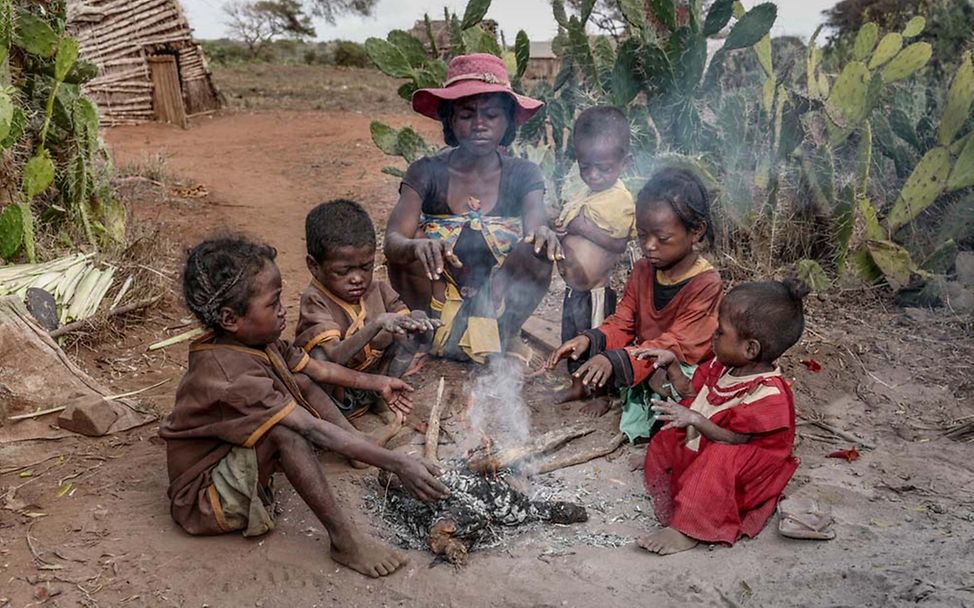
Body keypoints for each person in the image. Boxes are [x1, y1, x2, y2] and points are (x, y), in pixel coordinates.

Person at [159, 236, 449, 578]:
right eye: (273, 303)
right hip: (205, 499)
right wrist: (398, 463)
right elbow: (310, 428)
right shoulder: (231, 375)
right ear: (229, 318)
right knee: (288, 433)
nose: (283, 309)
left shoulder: (258, 342)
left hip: (230, 462)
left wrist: (379, 383)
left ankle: (357, 446)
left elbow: (319, 369)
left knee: (301, 382)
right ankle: (345, 541)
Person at [384, 53, 562, 364]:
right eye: (466, 115)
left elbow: (535, 231)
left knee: (538, 252)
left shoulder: (523, 173)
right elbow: (392, 241)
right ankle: (429, 333)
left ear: (507, 121)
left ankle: (504, 334)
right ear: (450, 120)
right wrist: (415, 246)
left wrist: (544, 234)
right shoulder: (425, 171)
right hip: (437, 292)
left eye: (491, 115)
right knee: (404, 255)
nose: (479, 125)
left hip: (498, 294)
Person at [634, 278, 808, 555]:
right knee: (669, 433)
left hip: (745, 463)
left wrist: (695, 419)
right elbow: (695, 394)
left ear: (750, 349)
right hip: (714, 435)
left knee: (717, 457)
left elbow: (736, 439)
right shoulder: (724, 365)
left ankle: (688, 528)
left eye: (720, 333)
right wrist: (673, 365)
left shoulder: (768, 392)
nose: (713, 337)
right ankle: (674, 478)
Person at [546, 167, 722, 442]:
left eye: (662, 239)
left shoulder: (705, 283)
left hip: (680, 368)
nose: (649, 246)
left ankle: (670, 426)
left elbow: (677, 343)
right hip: (646, 358)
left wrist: (618, 359)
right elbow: (623, 322)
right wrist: (589, 339)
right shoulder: (642, 270)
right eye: (642, 236)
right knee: (605, 351)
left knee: (646, 374)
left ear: (696, 231)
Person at [295, 200, 439, 421]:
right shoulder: (315, 300)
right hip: (336, 392)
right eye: (343, 271)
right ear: (314, 266)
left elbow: (406, 331)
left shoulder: (377, 289)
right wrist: (377, 323)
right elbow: (334, 356)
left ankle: (380, 397)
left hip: (374, 379)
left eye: (366, 267)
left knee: (403, 329)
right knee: (319, 356)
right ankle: (337, 423)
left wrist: (418, 321)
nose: (357, 278)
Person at [552, 106, 635, 412]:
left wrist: (579, 227)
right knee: (572, 340)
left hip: (597, 292)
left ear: (624, 163)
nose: (594, 175)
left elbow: (618, 242)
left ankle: (601, 395)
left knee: (597, 342)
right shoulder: (585, 193)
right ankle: (577, 385)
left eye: (603, 168)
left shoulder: (620, 200)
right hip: (575, 290)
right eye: (586, 168)